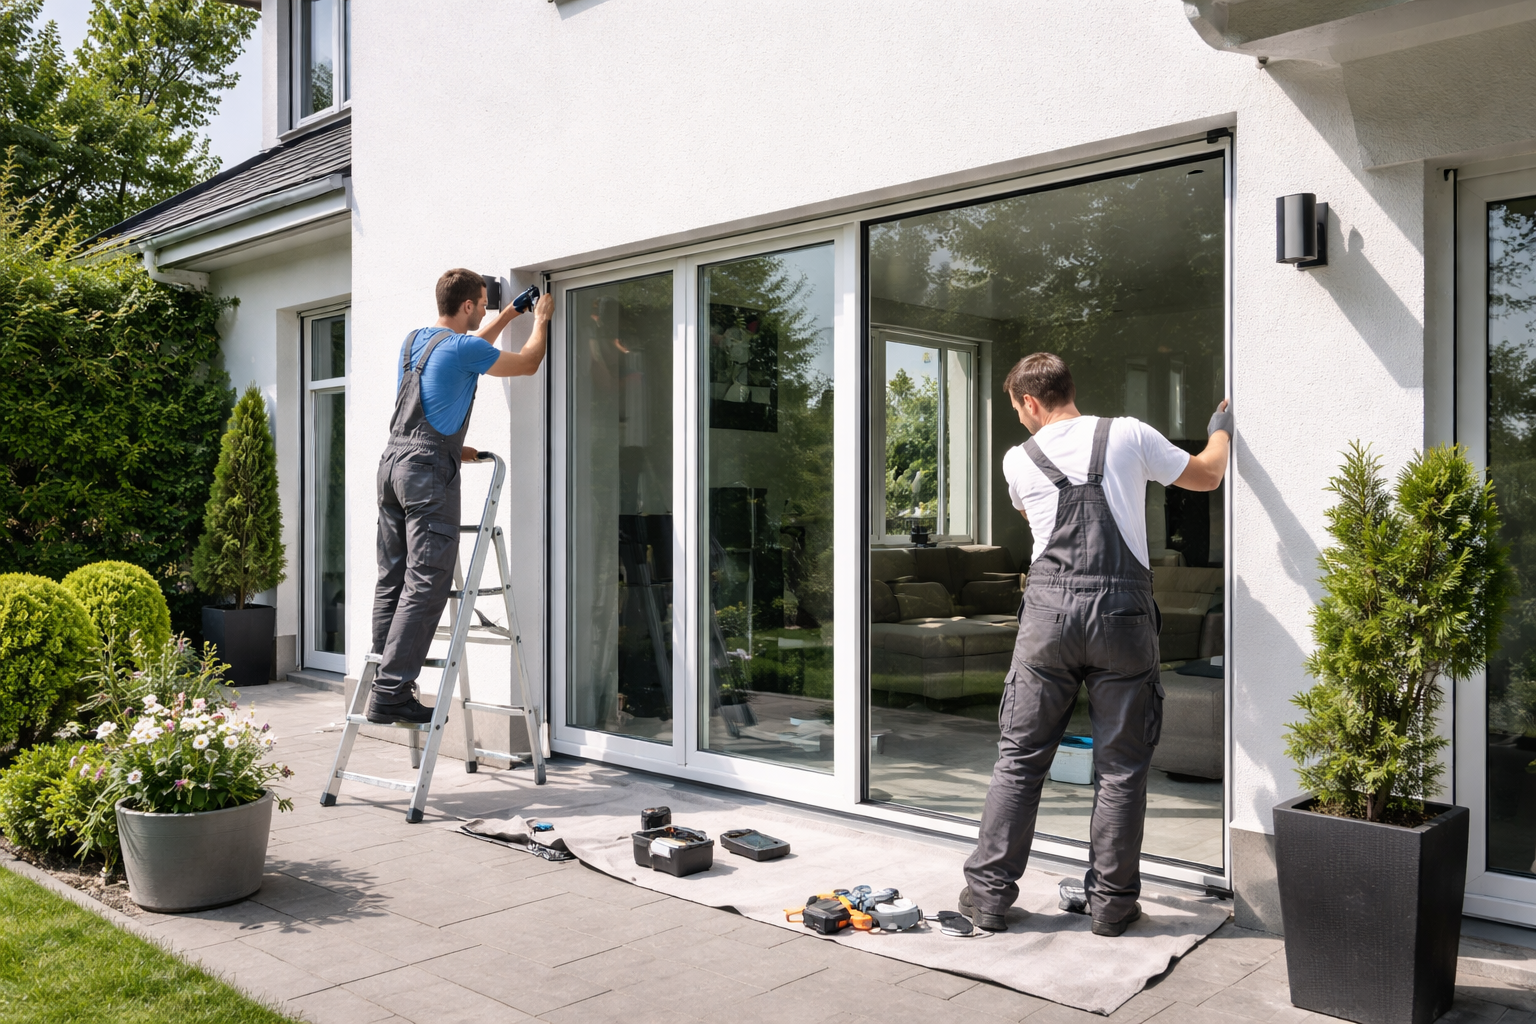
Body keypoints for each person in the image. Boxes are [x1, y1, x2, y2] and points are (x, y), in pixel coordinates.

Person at [958, 352, 1231, 937]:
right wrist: (1221, 431)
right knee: (1122, 767)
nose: (1020, 421)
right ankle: (1111, 906)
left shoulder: (1018, 460)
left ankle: (987, 898)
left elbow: (1034, 511)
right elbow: (1208, 475)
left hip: (1048, 617)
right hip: (1122, 615)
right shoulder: (1129, 435)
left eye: (1017, 410)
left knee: (1021, 758)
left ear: (1031, 401)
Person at [366, 268, 553, 724]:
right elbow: (527, 363)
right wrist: (541, 319)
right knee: (428, 578)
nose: (486, 310)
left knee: (393, 575)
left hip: (393, 465)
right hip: (427, 473)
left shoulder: (416, 341)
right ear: (467, 305)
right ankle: (391, 693)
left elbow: (466, 357)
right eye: (484, 304)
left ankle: (380, 672)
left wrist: (510, 311)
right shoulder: (465, 347)